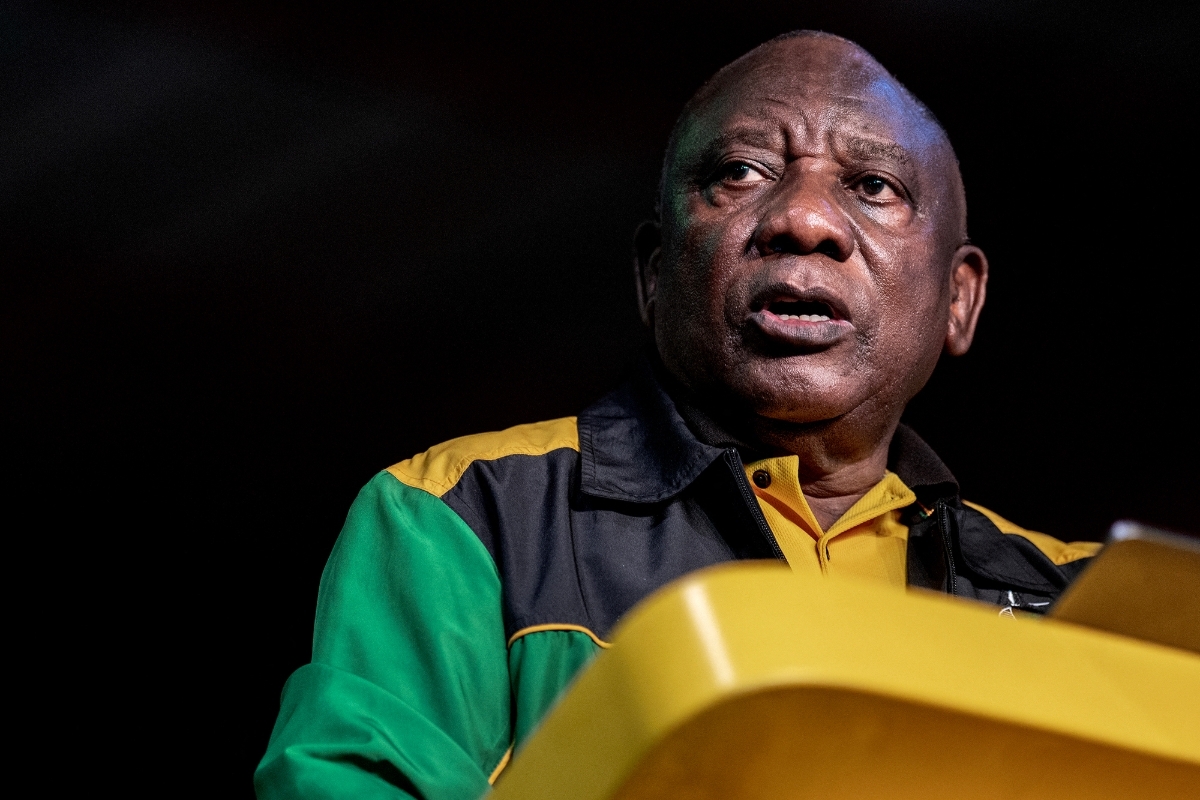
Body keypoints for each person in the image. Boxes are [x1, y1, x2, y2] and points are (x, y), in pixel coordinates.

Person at [256, 31, 1100, 800]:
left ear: (958, 299)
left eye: (873, 186)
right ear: (655, 275)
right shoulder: (468, 517)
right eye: (739, 174)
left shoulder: (1083, 602)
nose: (804, 220)